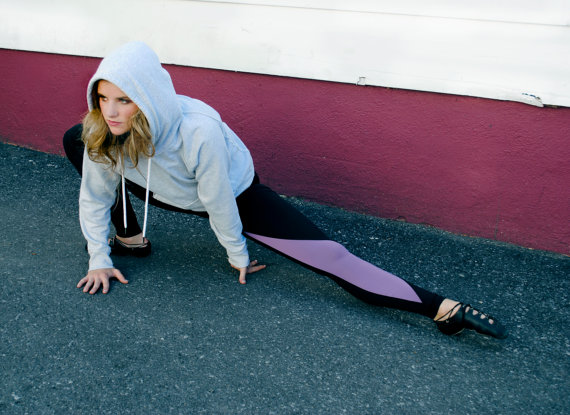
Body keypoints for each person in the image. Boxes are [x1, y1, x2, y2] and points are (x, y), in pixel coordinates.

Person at [63, 41, 507, 339]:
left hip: (232, 195)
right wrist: (98, 258)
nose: (111, 110)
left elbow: (218, 201)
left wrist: (235, 252)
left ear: (150, 95)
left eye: (124, 99)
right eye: (103, 98)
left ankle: (442, 309)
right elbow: (95, 194)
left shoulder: (198, 132)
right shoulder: (103, 128)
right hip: (163, 188)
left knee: (332, 258)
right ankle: (130, 239)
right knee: (75, 139)